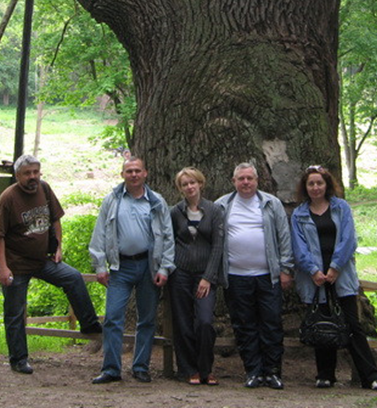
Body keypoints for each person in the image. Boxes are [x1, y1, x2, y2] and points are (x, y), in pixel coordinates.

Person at [0, 153, 103, 375]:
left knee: (72, 277)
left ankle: (89, 324)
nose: (32, 177)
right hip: (16, 264)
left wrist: (58, 247)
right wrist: (3, 268)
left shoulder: (44, 189)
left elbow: (55, 219)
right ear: (17, 176)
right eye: (27, 174)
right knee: (14, 311)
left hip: (42, 260)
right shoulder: (8, 198)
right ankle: (19, 359)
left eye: (35, 172)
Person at [290, 165, 377, 392]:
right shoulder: (300, 214)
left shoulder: (341, 208)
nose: (315, 187)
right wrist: (313, 270)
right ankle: (325, 375)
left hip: (340, 276)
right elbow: (298, 246)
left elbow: (348, 239)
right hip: (315, 279)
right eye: (311, 184)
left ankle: (371, 376)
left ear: (327, 185)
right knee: (322, 326)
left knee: (352, 325)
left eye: (319, 183)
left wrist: (334, 267)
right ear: (305, 187)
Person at [89, 157, 175, 384]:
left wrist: (165, 268)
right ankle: (111, 369)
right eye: (129, 171)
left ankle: (140, 367)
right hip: (120, 267)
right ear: (123, 174)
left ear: (145, 173)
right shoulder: (112, 200)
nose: (134, 174)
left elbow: (168, 237)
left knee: (147, 319)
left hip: (149, 266)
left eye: (137, 170)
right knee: (113, 317)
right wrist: (99, 265)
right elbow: (100, 233)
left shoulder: (156, 201)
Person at [214, 162, 293, 390]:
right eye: (241, 179)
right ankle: (253, 371)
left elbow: (283, 237)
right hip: (235, 276)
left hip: (268, 276)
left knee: (272, 324)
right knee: (244, 325)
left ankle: (273, 372)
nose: (245, 182)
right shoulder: (222, 205)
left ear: (257, 181)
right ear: (234, 182)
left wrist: (285, 269)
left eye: (249, 178)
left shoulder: (271, 203)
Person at [169, 167, 224, 385]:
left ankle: (205, 369)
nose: (189, 187)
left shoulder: (214, 210)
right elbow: (169, 240)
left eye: (193, 182)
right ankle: (188, 369)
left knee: (204, 321)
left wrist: (208, 277)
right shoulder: (175, 212)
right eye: (184, 184)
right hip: (180, 273)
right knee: (182, 322)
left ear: (201, 184)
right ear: (180, 188)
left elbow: (219, 245)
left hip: (205, 274)